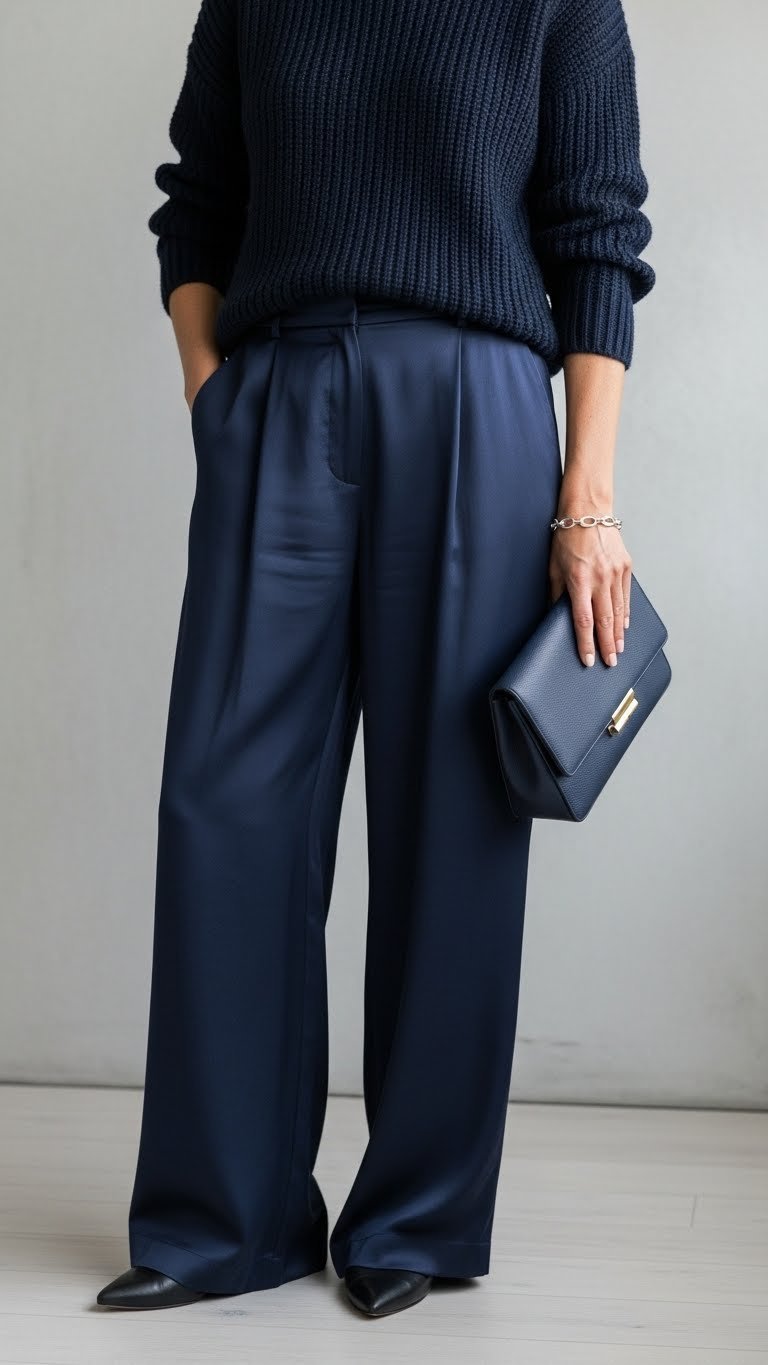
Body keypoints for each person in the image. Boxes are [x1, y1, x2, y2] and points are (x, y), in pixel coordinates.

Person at [96, 0, 654, 1318]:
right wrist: (209, 393)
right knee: (226, 801)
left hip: (480, 405)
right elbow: (200, 199)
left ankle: (417, 1213)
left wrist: (588, 498)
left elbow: (598, 235)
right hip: (279, 392)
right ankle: (220, 1217)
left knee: (451, 818)